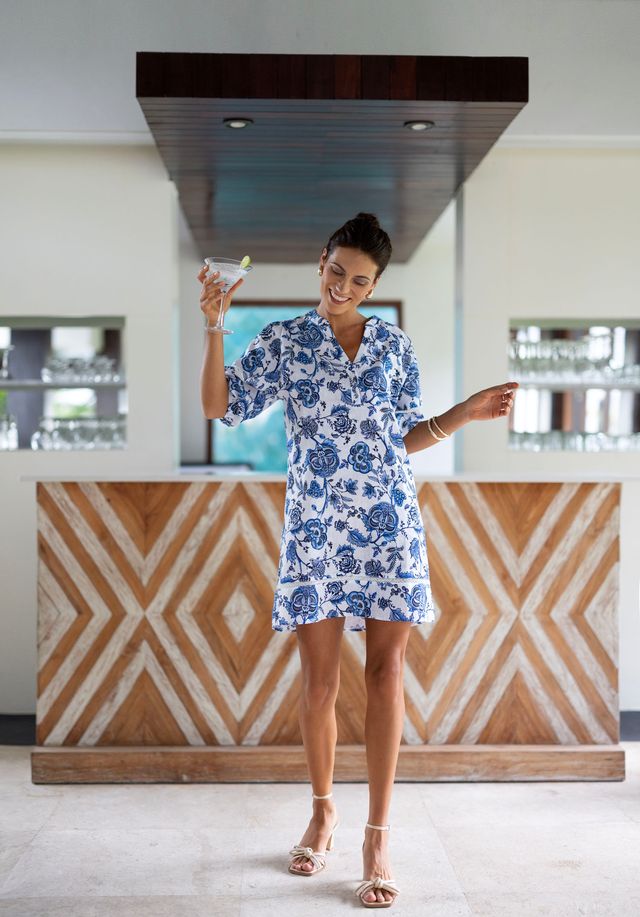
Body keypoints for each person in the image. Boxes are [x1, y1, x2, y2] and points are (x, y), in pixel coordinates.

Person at [198, 212, 517, 908]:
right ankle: (322, 810)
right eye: (337, 271)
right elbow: (222, 404)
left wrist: (465, 410)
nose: (345, 286)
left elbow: (406, 436)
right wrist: (216, 324)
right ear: (321, 263)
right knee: (318, 683)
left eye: (361, 280)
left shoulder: (394, 348)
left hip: (388, 527)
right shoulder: (283, 341)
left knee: (385, 672)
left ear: (374, 287)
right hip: (316, 530)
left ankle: (377, 834)